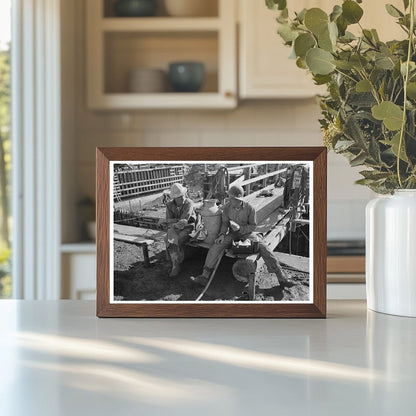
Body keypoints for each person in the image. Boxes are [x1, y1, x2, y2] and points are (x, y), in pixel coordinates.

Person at [190, 184, 294, 287]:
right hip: (232, 234)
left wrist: (241, 228)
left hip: (247, 233)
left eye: (231, 198)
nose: (229, 200)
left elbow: (253, 226)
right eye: (229, 197)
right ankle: (204, 276)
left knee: (264, 248)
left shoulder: (250, 208)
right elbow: (225, 223)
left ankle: (281, 277)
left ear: (238, 199)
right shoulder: (227, 207)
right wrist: (222, 234)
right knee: (216, 245)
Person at [164, 183, 196, 277]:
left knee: (175, 238)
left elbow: (184, 220)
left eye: (182, 195)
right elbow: (169, 221)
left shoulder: (189, 203)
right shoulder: (169, 205)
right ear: (174, 198)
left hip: (189, 227)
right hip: (175, 227)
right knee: (168, 238)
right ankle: (175, 263)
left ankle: (175, 265)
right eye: (178, 197)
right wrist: (172, 223)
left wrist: (172, 222)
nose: (182, 198)